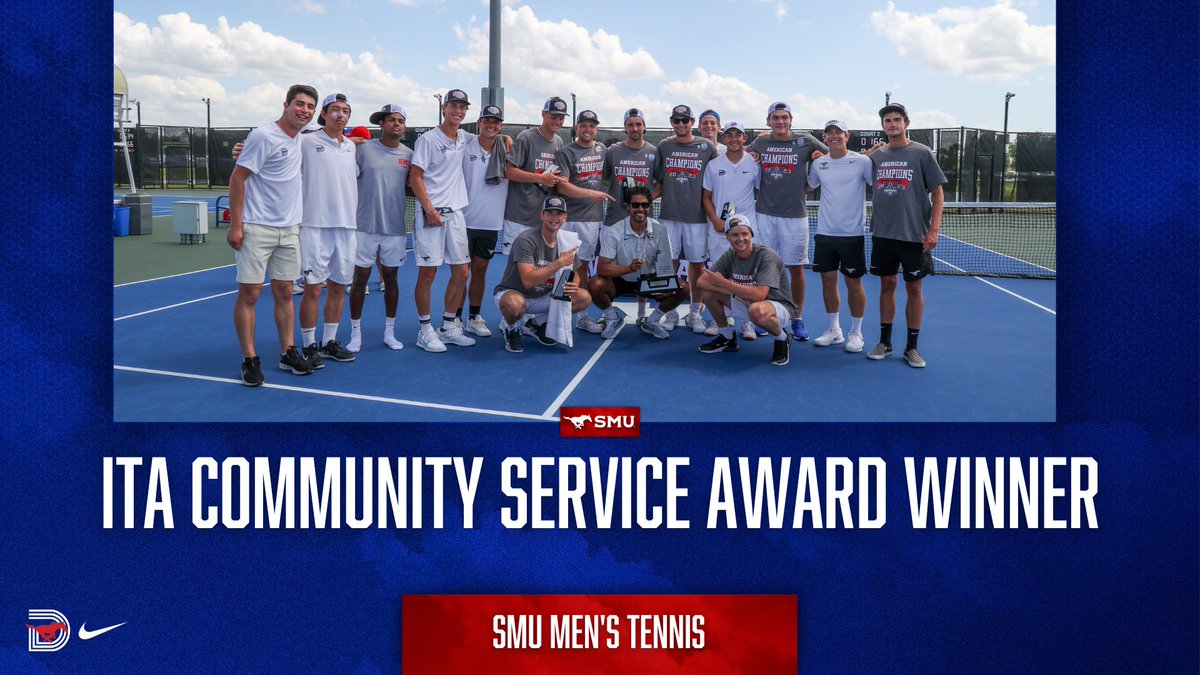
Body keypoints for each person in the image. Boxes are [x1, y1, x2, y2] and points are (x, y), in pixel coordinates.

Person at [226, 84, 317, 385]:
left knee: (285, 292)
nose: (304, 110)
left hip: (289, 230)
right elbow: (237, 179)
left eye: (309, 107)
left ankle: (287, 352)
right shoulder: (264, 135)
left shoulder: (302, 139)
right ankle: (249, 359)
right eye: (299, 104)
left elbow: (343, 139)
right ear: (286, 105)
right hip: (256, 227)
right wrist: (236, 225)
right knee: (250, 294)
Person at [866, 103, 946, 368]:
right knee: (887, 285)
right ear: (883, 126)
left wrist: (933, 229)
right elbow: (845, 159)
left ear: (906, 123)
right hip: (883, 234)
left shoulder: (922, 153)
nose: (892, 124)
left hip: (914, 236)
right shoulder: (875, 156)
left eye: (897, 120)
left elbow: (937, 192)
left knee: (914, 288)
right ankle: (885, 342)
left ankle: (912, 347)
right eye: (887, 121)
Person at [748, 101, 828, 341]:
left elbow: (834, 153)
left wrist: (820, 155)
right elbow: (739, 152)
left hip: (795, 215)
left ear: (791, 120)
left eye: (784, 117)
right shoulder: (760, 142)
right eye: (775, 117)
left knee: (796, 268)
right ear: (768, 121)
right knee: (765, 268)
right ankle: (766, 314)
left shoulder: (806, 141)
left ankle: (797, 317)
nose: (780, 121)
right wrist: (751, 152)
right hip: (764, 213)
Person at [408, 89, 477, 353]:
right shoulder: (427, 140)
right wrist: (429, 209)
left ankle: (448, 326)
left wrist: (504, 137)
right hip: (432, 213)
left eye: (462, 107)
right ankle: (424, 330)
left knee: (462, 272)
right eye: (454, 106)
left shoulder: (464, 137)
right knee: (428, 272)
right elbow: (415, 176)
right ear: (444, 108)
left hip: (455, 213)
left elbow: (486, 136)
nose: (458, 111)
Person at [295, 93, 359, 369]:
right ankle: (309, 345)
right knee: (313, 288)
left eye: (345, 110)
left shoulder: (351, 147)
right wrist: (243, 147)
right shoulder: (306, 141)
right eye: (335, 110)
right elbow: (278, 146)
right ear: (323, 114)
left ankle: (329, 341)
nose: (340, 115)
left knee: (338, 286)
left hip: (347, 227)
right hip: (314, 226)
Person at [346, 103, 412, 353]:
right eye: (391, 119)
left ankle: (390, 332)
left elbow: (411, 186)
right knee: (359, 280)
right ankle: (355, 334)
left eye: (400, 120)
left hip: (394, 229)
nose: (396, 123)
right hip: (364, 226)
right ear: (381, 124)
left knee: (392, 280)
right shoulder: (362, 149)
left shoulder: (409, 155)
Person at [805, 119, 874, 354]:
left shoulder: (862, 161)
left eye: (838, 132)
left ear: (847, 135)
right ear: (824, 138)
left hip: (852, 234)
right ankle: (834, 330)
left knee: (853, 282)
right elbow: (808, 186)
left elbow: (878, 184)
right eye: (829, 133)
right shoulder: (819, 164)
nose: (834, 136)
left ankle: (856, 331)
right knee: (827, 281)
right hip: (824, 233)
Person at [587, 186, 690, 340]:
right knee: (595, 284)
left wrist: (666, 285)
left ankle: (652, 321)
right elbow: (602, 267)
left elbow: (666, 267)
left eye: (644, 205)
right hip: (621, 280)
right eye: (635, 205)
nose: (640, 209)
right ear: (628, 207)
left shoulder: (660, 230)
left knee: (682, 287)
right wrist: (628, 268)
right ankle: (613, 317)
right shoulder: (615, 231)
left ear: (650, 207)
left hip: (648, 281)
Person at [493, 196, 591, 353]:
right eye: (549, 213)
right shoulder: (526, 240)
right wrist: (559, 262)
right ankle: (510, 327)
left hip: (545, 295)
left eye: (558, 214)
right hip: (517, 293)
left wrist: (575, 284)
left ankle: (535, 324)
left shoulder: (567, 240)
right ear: (542, 216)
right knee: (514, 306)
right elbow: (527, 280)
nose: (554, 218)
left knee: (583, 297)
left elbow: (575, 272)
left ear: (565, 217)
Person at [653, 104, 719, 334]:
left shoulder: (707, 146)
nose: (681, 124)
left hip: (697, 218)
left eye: (685, 120)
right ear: (672, 122)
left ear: (692, 122)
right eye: (676, 120)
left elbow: (723, 167)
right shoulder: (664, 146)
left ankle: (694, 311)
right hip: (669, 215)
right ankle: (671, 311)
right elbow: (659, 180)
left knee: (698, 266)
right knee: (668, 265)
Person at [694, 217, 796, 366]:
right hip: (747, 302)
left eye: (744, 234)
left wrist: (724, 282)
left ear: (751, 235)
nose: (740, 239)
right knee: (709, 293)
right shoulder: (730, 255)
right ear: (728, 237)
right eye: (734, 235)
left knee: (756, 310)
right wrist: (735, 294)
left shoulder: (767, 256)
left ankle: (782, 338)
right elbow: (701, 281)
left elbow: (759, 295)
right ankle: (727, 338)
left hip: (779, 307)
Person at [552, 109, 614, 334]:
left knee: (584, 267)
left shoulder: (602, 151)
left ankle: (582, 315)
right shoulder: (566, 152)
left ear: (596, 129)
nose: (588, 129)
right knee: (563, 267)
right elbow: (562, 186)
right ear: (576, 127)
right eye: (584, 125)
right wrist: (592, 195)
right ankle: (551, 314)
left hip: (593, 221)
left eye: (592, 125)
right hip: (569, 220)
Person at [701, 120, 760, 337]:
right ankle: (721, 320)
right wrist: (716, 220)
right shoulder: (714, 165)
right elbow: (706, 197)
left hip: (746, 230)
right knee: (718, 275)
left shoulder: (754, 163)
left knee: (747, 277)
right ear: (724, 138)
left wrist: (751, 221)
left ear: (745, 138)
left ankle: (748, 322)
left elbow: (763, 191)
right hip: (719, 229)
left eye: (739, 135)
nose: (734, 139)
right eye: (730, 135)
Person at [459, 103, 509, 338]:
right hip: (462, 222)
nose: (491, 125)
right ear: (478, 123)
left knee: (479, 272)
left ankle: (473, 318)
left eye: (496, 122)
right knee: (461, 274)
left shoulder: (508, 150)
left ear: (500, 126)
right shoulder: (464, 143)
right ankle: (454, 318)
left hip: (490, 224)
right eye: (487, 120)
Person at [502, 97, 568, 255]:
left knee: (540, 268)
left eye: (561, 118)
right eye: (553, 116)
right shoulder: (526, 137)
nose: (557, 121)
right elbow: (508, 172)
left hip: (543, 221)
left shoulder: (559, 141)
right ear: (543, 114)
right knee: (516, 270)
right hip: (519, 218)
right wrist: (540, 178)